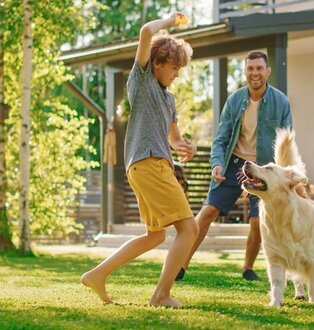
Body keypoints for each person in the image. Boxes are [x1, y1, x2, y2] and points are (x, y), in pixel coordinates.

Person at [81, 13, 198, 308]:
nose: (177, 74)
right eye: (174, 67)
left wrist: (185, 147)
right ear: (157, 63)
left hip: (148, 164)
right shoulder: (142, 81)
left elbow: (174, 138)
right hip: (149, 163)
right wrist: (170, 21)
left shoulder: (169, 100)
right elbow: (146, 31)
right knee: (189, 229)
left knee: (155, 235)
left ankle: (97, 274)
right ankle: (161, 295)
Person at [176, 50, 293, 281]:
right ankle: (180, 265)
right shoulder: (235, 100)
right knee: (208, 212)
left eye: (259, 68)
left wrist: (285, 175)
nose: (255, 73)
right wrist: (217, 164)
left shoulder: (281, 102)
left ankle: (248, 268)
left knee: (259, 220)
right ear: (245, 72)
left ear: (267, 71)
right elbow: (220, 139)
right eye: (250, 69)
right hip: (234, 163)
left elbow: (287, 144)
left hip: (262, 169)